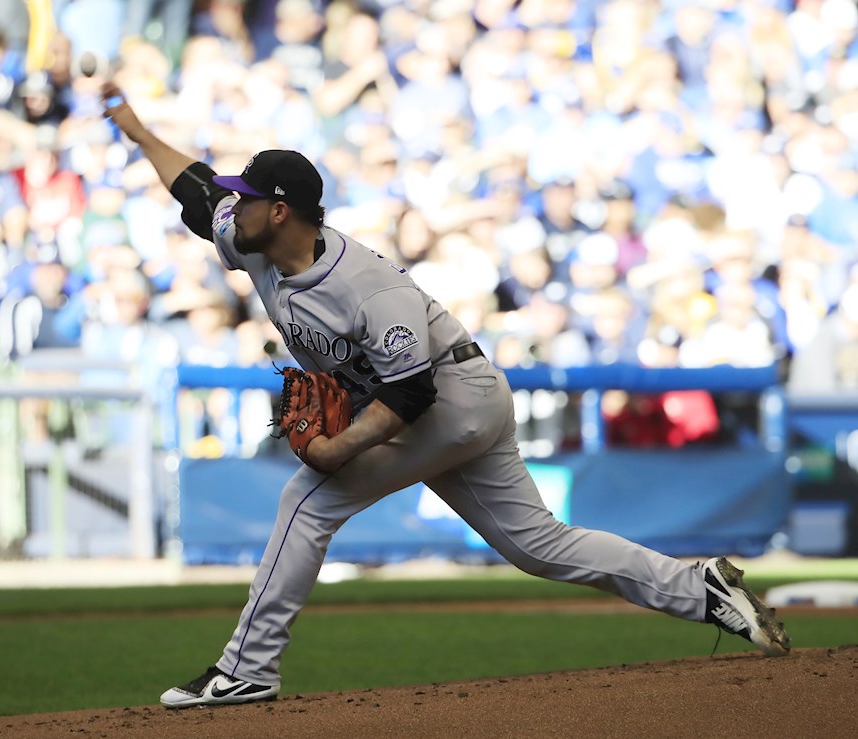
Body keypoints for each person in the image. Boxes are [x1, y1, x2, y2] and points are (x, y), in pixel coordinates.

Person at [100, 84, 791, 709]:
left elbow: (410, 390)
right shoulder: (254, 240)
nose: (233, 205)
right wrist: (136, 129)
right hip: (451, 398)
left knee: (306, 500)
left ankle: (247, 668)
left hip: (452, 399)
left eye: (246, 197)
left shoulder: (367, 285)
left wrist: (339, 447)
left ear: (280, 211)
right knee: (539, 545)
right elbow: (194, 194)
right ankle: (700, 587)